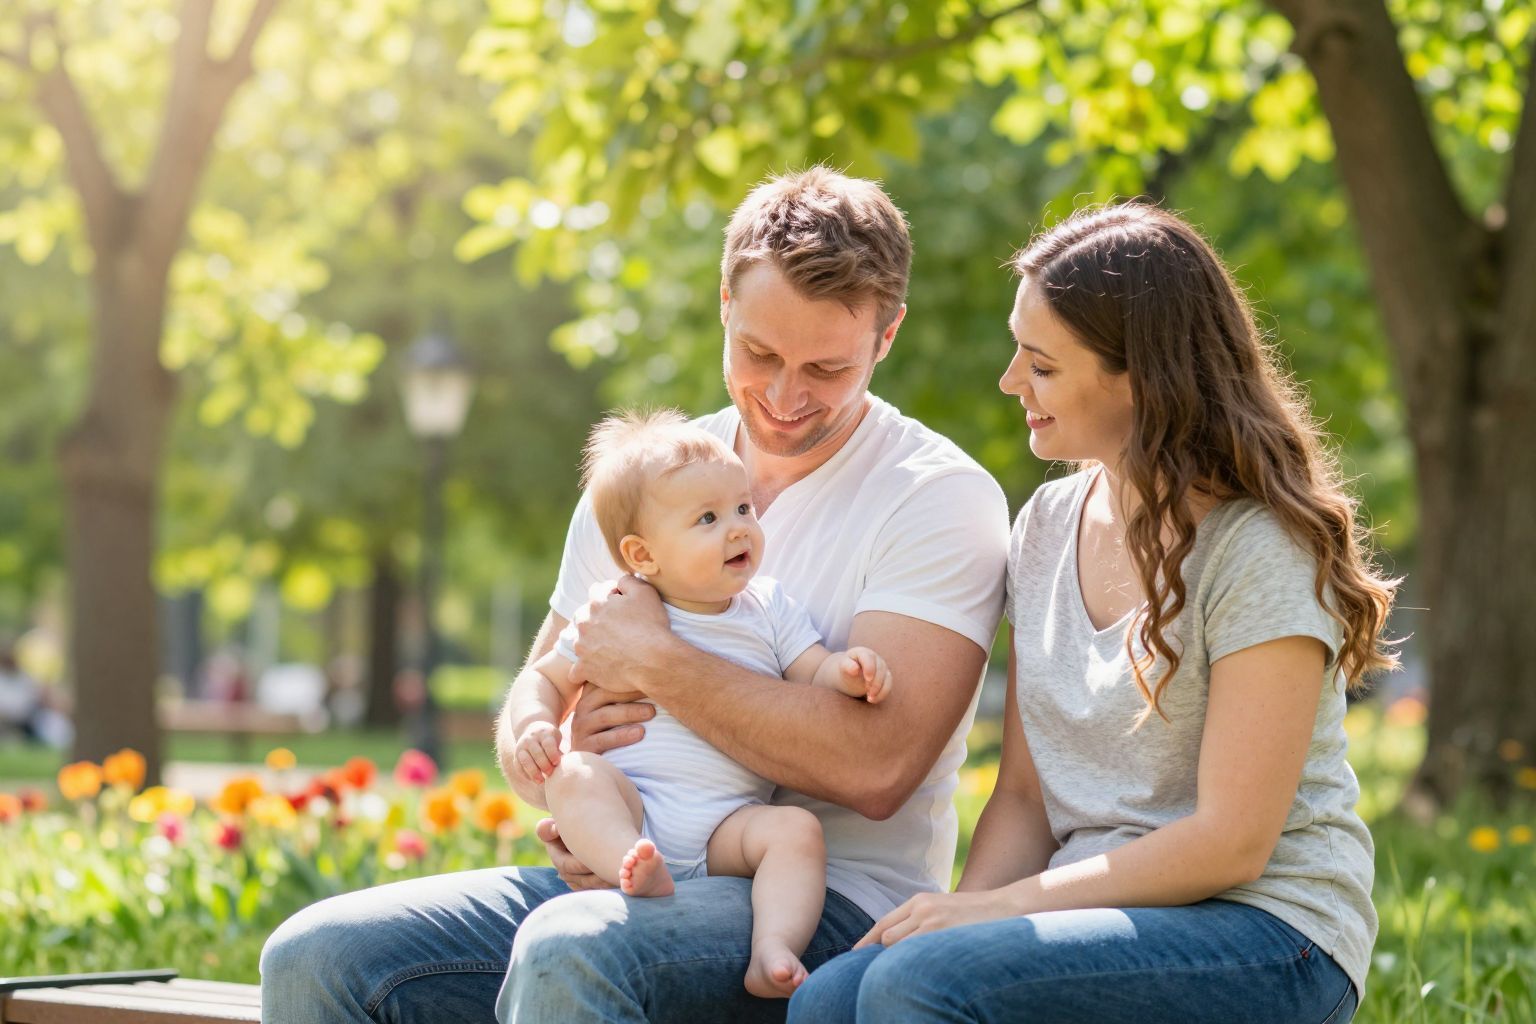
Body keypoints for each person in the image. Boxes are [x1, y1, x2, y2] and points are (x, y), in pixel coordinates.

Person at [259, 166, 1010, 1023]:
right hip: (631, 870)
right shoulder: (648, 481)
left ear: (887, 337)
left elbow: (875, 768)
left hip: (821, 908)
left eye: (826, 368)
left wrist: (657, 664)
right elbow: (535, 706)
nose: (784, 395)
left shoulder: (937, 497)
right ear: (725, 303)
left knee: (574, 948)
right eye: (759, 353)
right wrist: (572, 783)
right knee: (320, 956)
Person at [786, 202, 1397, 1024]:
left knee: (917, 988)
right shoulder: (1044, 526)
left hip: (1268, 932)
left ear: (1139, 377)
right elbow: (1027, 802)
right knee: (835, 998)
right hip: (1096, 914)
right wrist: (947, 925)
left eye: (1040, 365)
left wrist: (992, 921)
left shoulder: (1258, 548)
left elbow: (1232, 841)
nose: (1010, 382)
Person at [506, 409, 893, 998]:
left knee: (795, 831)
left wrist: (847, 670)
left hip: (727, 828)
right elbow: (547, 677)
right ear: (642, 555)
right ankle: (627, 865)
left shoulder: (767, 607)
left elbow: (810, 669)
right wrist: (536, 723)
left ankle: (773, 947)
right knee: (576, 775)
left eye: (743, 509)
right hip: (636, 807)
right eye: (708, 519)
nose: (739, 528)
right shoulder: (614, 608)